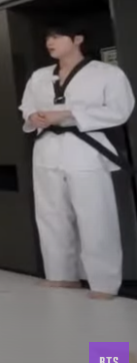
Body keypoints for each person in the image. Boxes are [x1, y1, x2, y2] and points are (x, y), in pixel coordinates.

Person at [19, 24, 134, 300]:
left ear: (78, 39)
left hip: (85, 149)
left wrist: (68, 114)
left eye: (57, 36)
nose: (50, 41)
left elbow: (119, 110)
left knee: (95, 215)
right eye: (48, 37)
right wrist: (33, 117)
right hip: (47, 148)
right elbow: (27, 106)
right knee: (51, 214)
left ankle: (104, 283)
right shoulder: (39, 76)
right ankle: (61, 275)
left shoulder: (107, 73)